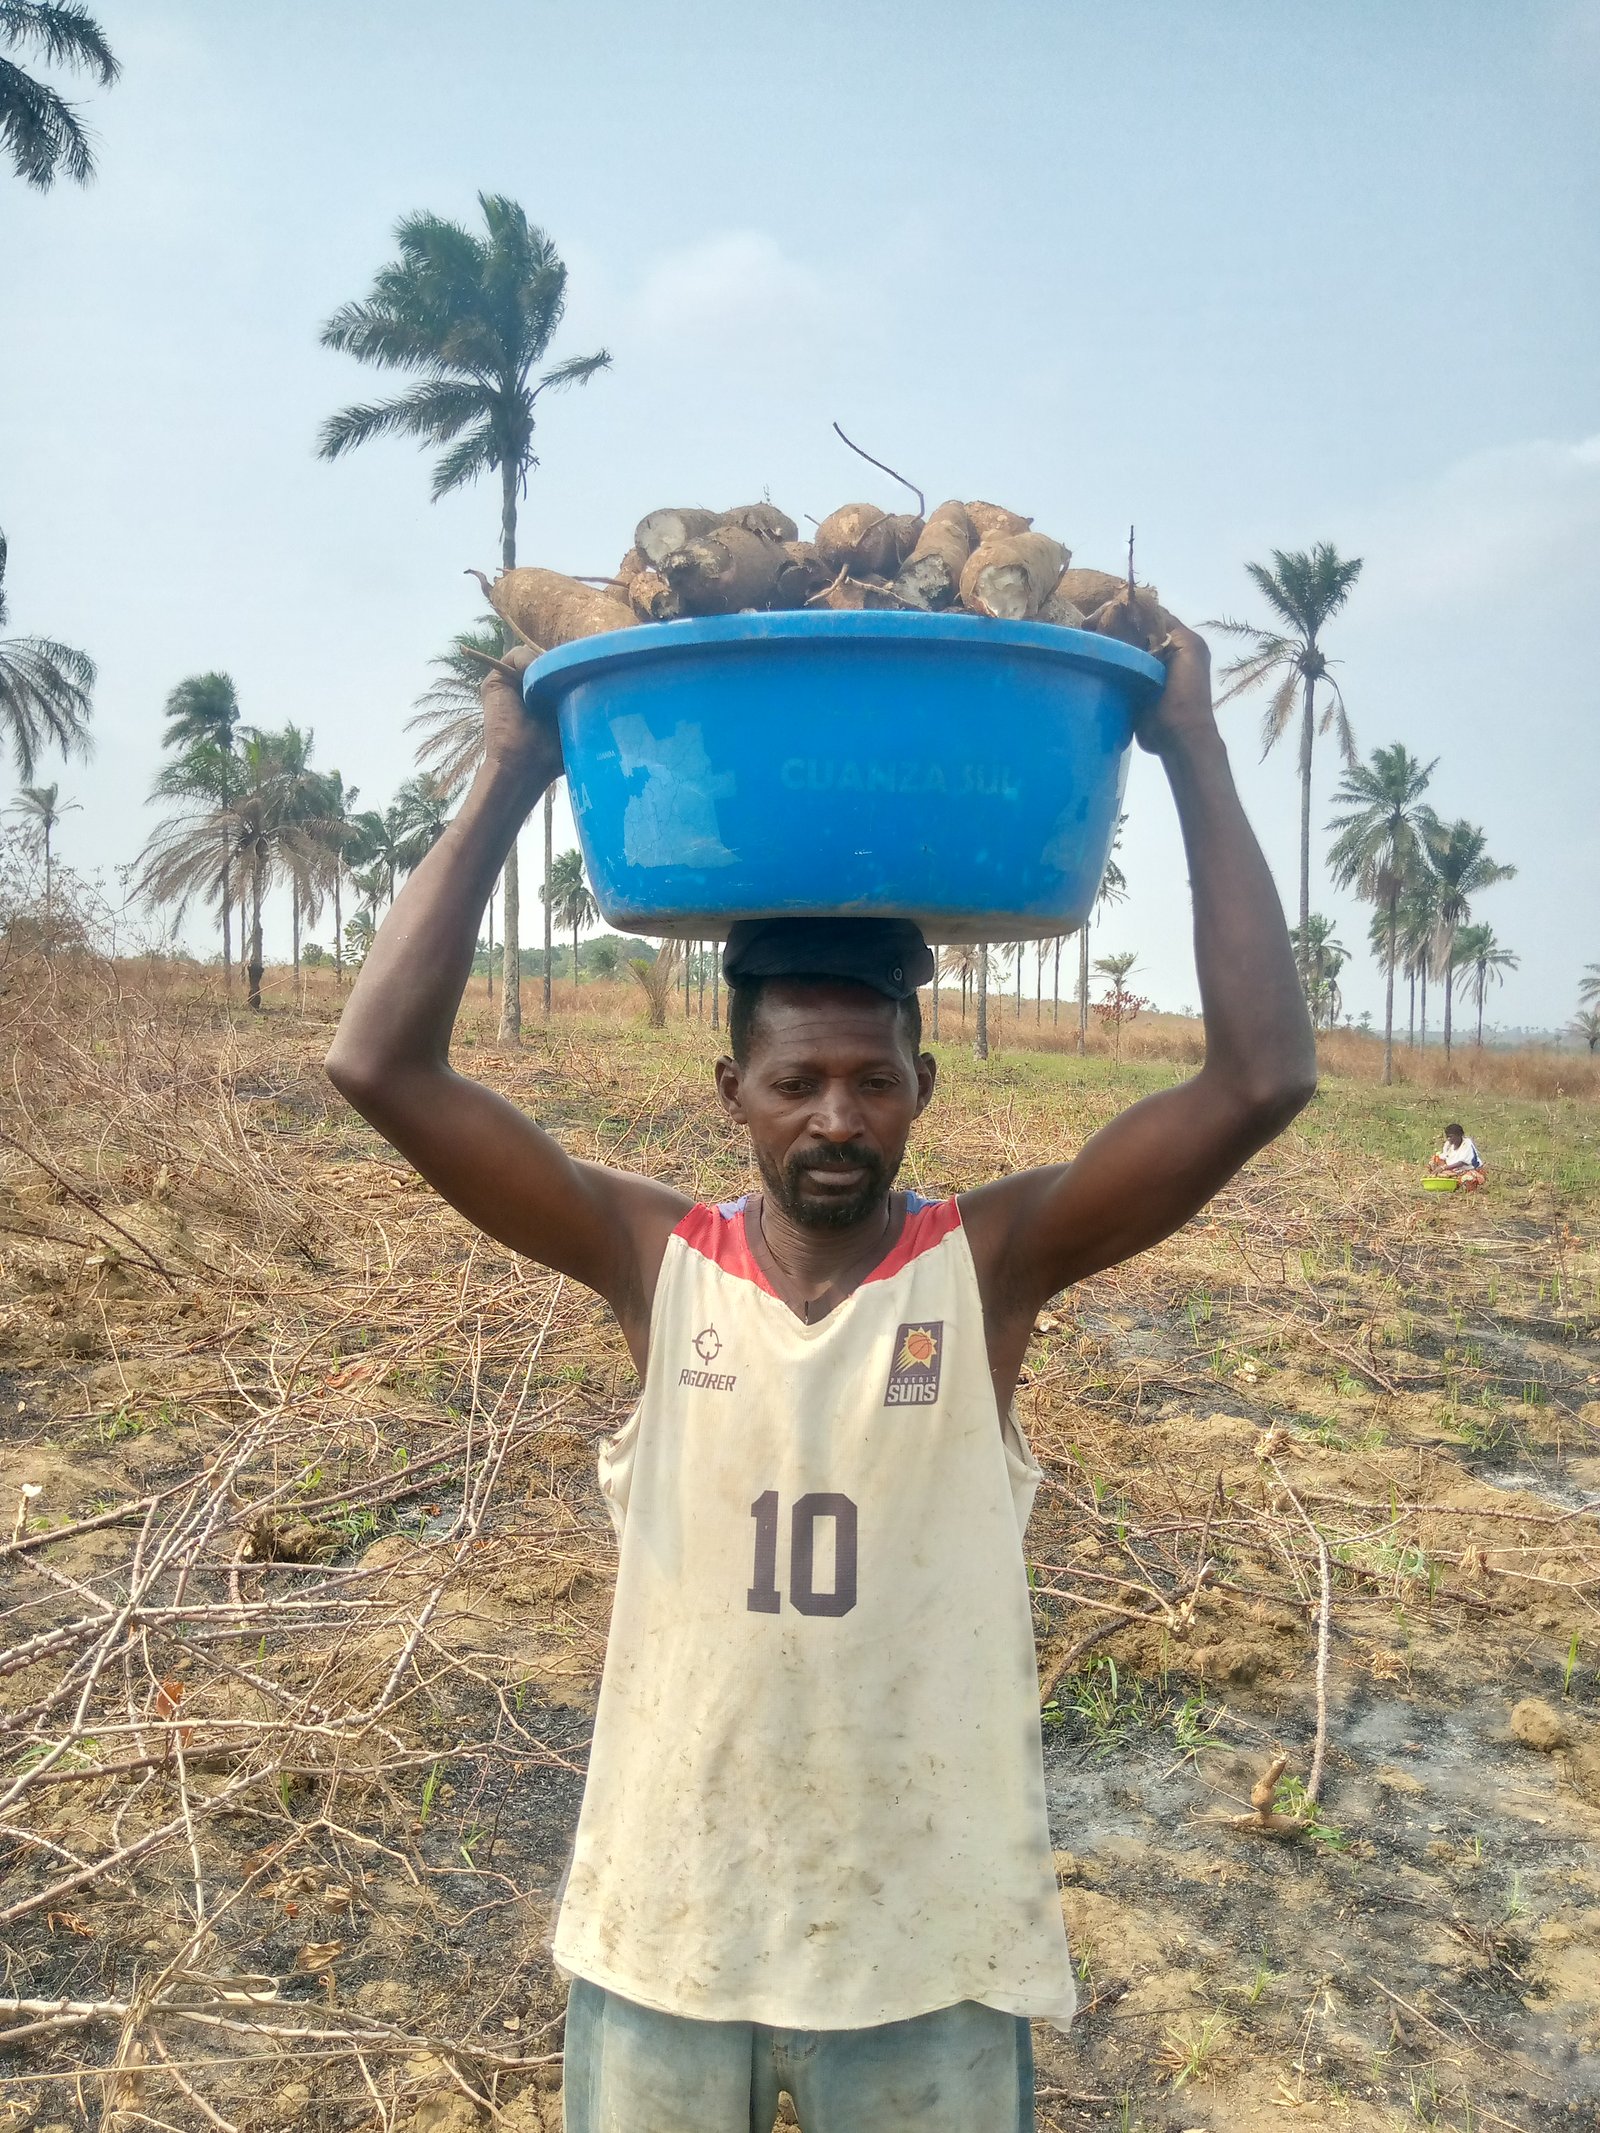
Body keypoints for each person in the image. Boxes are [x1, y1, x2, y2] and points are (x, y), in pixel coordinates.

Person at [325, 617, 1317, 2133]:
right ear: (734, 1091)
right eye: (796, 1082)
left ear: (926, 1087)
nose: (836, 1120)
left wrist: (1191, 745)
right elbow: (380, 1068)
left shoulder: (986, 1267)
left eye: (873, 1081)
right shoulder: (654, 1259)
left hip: (922, 1944)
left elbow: (1259, 1079)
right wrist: (511, 770)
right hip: (670, 1923)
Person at [1429, 1122, 1486, 1190]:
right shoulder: (1448, 1145)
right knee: (1435, 1158)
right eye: (1447, 1137)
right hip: (1453, 1170)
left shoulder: (1467, 1144)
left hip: (1468, 1170)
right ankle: (1435, 1175)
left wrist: (1443, 1168)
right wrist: (1439, 1166)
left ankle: (1457, 1183)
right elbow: (1444, 1156)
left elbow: (1461, 1163)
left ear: (1459, 1135)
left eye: (1451, 1136)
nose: (1449, 1139)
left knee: (1467, 1179)